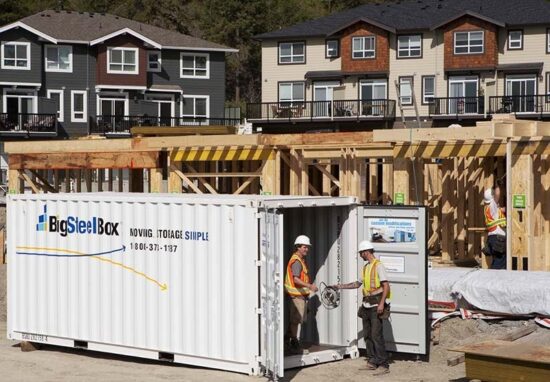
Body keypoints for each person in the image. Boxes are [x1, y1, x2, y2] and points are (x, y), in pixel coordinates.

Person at [333, 240, 391, 375]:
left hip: (376, 305)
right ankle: (372, 361)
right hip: (366, 305)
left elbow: (386, 286)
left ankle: (383, 364)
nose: (360, 255)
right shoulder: (366, 267)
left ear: (366, 252)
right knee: (367, 335)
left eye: (361, 253)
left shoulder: (378, 266)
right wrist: (340, 286)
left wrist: (382, 303)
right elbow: (357, 284)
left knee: (376, 335)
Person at [284, 235, 318, 355]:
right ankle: (294, 346)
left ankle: (287, 342)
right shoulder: (297, 262)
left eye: (307, 247)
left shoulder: (299, 260)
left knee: (295, 321)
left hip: (299, 296)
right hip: (296, 296)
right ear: (298, 247)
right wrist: (310, 286)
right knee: (295, 322)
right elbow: (296, 280)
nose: (306, 249)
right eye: (304, 247)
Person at [482, 184, 507, 269]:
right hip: (497, 238)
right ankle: (494, 281)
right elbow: (497, 194)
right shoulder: (492, 204)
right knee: (499, 264)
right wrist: (498, 184)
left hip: (493, 238)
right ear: (492, 197)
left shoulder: (489, 207)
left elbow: (501, 210)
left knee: (497, 261)